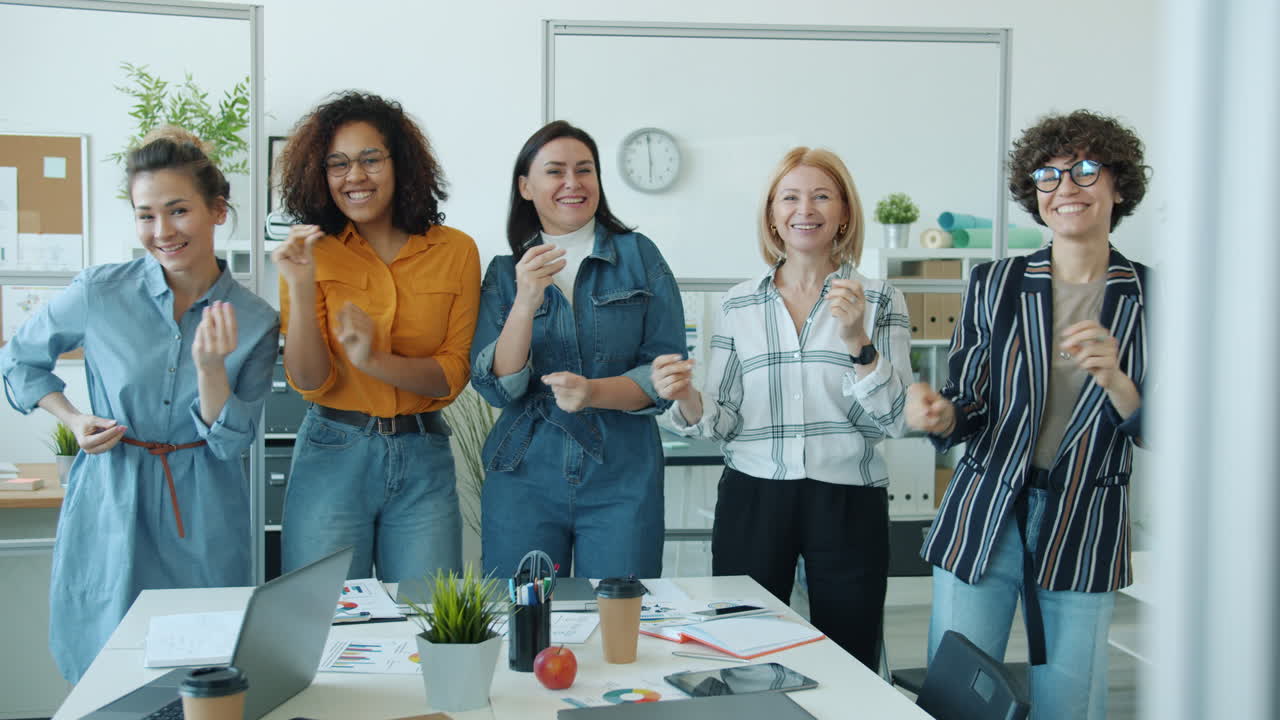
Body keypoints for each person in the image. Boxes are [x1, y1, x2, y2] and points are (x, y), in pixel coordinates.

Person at [0, 127, 279, 682]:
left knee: (203, 668)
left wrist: (208, 370)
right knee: (103, 662)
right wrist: (74, 419)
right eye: (145, 215)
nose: (162, 231)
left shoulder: (255, 319)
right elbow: (18, 361)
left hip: (203, 505)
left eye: (178, 211)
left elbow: (230, 443)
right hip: (111, 493)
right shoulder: (99, 291)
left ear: (217, 211)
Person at [906, 109, 1151, 719]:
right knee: (958, 696)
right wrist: (943, 415)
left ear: (1119, 187)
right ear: (1034, 193)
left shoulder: (1154, 296)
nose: (1066, 188)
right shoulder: (997, 282)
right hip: (986, 511)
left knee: (1071, 701)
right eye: (1049, 175)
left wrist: (1117, 379)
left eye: (1086, 171)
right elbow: (970, 401)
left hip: (1085, 518)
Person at [651, 147, 913, 669]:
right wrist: (684, 396)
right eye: (789, 197)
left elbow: (897, 419)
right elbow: (721, 420)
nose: (805, 209)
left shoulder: (881, 300)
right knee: (742, 651)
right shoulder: (738, 303)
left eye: (821, 196)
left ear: (844, 212)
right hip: (754, 496)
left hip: (848, 499)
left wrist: (858, 340)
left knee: (850, 656)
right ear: (772, 213)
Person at [272, 91, 479, 582]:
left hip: (423, 458)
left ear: (401, 165)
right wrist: (301, 290)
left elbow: (451, 376)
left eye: (370, 159)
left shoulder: (456, 251)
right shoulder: (308, 254)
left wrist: (375, 361)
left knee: (428, 622)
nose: (355, 177)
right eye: (337, 164)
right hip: (331, 451)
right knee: (324, 621)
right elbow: (309, 382)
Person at [470, 120, 685, 580]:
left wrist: (593, 393)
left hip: (623, 473)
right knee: (523, 624)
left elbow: (665, 373)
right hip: (523, 473)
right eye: (555, 171)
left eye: (584, 169)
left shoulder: (639, 255)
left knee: (619, 623)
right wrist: (525, 302)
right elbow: (497, 388)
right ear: (526, 186)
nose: (573, 183)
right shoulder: (506, 272)